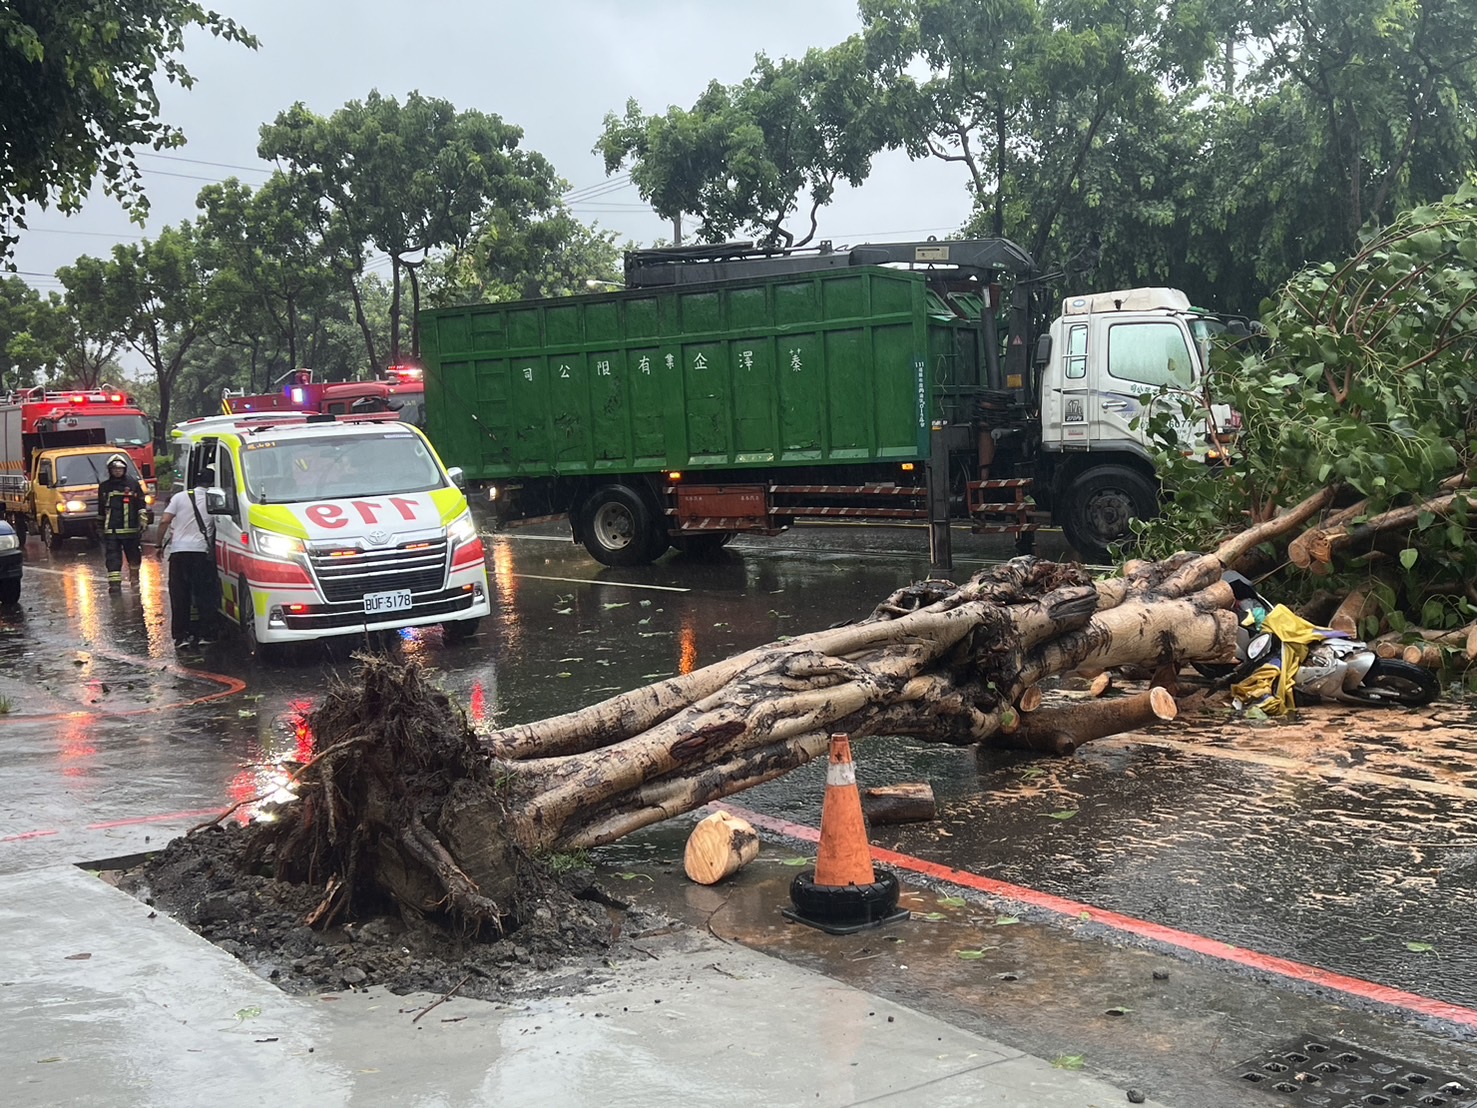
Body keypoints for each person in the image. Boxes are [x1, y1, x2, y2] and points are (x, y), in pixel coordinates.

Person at [155, 482, 220, 649]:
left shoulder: (179, 497)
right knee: (203, 594)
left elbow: (164, 521)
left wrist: (158, 545)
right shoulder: (215, 499)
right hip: (201, 553)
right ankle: (205, 634)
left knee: (179, 595)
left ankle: (181, 636)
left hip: (178, 553)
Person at [97, 453, 146, 591]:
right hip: (112, 530)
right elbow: (101, 508)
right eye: (114, 469)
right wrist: (100, 527)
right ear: (110, 470)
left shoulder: (133, 484)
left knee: (134, 556)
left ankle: (134, 579)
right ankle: (114, 585)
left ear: (124, 470)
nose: (117, 471)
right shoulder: (104, 487)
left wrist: (142, 520)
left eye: (120, 469)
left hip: (130, 530)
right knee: (113, 558)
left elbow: (141, 503)